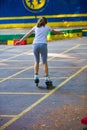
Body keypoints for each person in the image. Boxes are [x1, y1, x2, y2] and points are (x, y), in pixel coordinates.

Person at [15, 17, 65, 88]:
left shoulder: (35, 27)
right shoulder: (47, 27)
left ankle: (36, 76)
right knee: (44, 62)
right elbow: (54, 32)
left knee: (36, 61)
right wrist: (62, 33)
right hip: (43, 45)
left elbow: (27, 35)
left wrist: (20, 41)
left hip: (35, 45)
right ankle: (47, 78)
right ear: (46, 22)